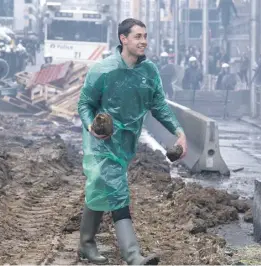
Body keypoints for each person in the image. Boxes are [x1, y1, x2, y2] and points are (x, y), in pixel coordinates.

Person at [77, 18, 187, 265]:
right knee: (117, 189)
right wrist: (91, 127)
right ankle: (133, 255)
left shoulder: (149, 72)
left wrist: (179, 132)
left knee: (99, 189)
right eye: (138, 36)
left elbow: (159, 105)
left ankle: (85, 244)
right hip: (101, 140)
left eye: (145, 36)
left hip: (126, 143)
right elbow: (84, 104)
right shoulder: (103, 70)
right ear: (123, 39)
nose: (143, 41)